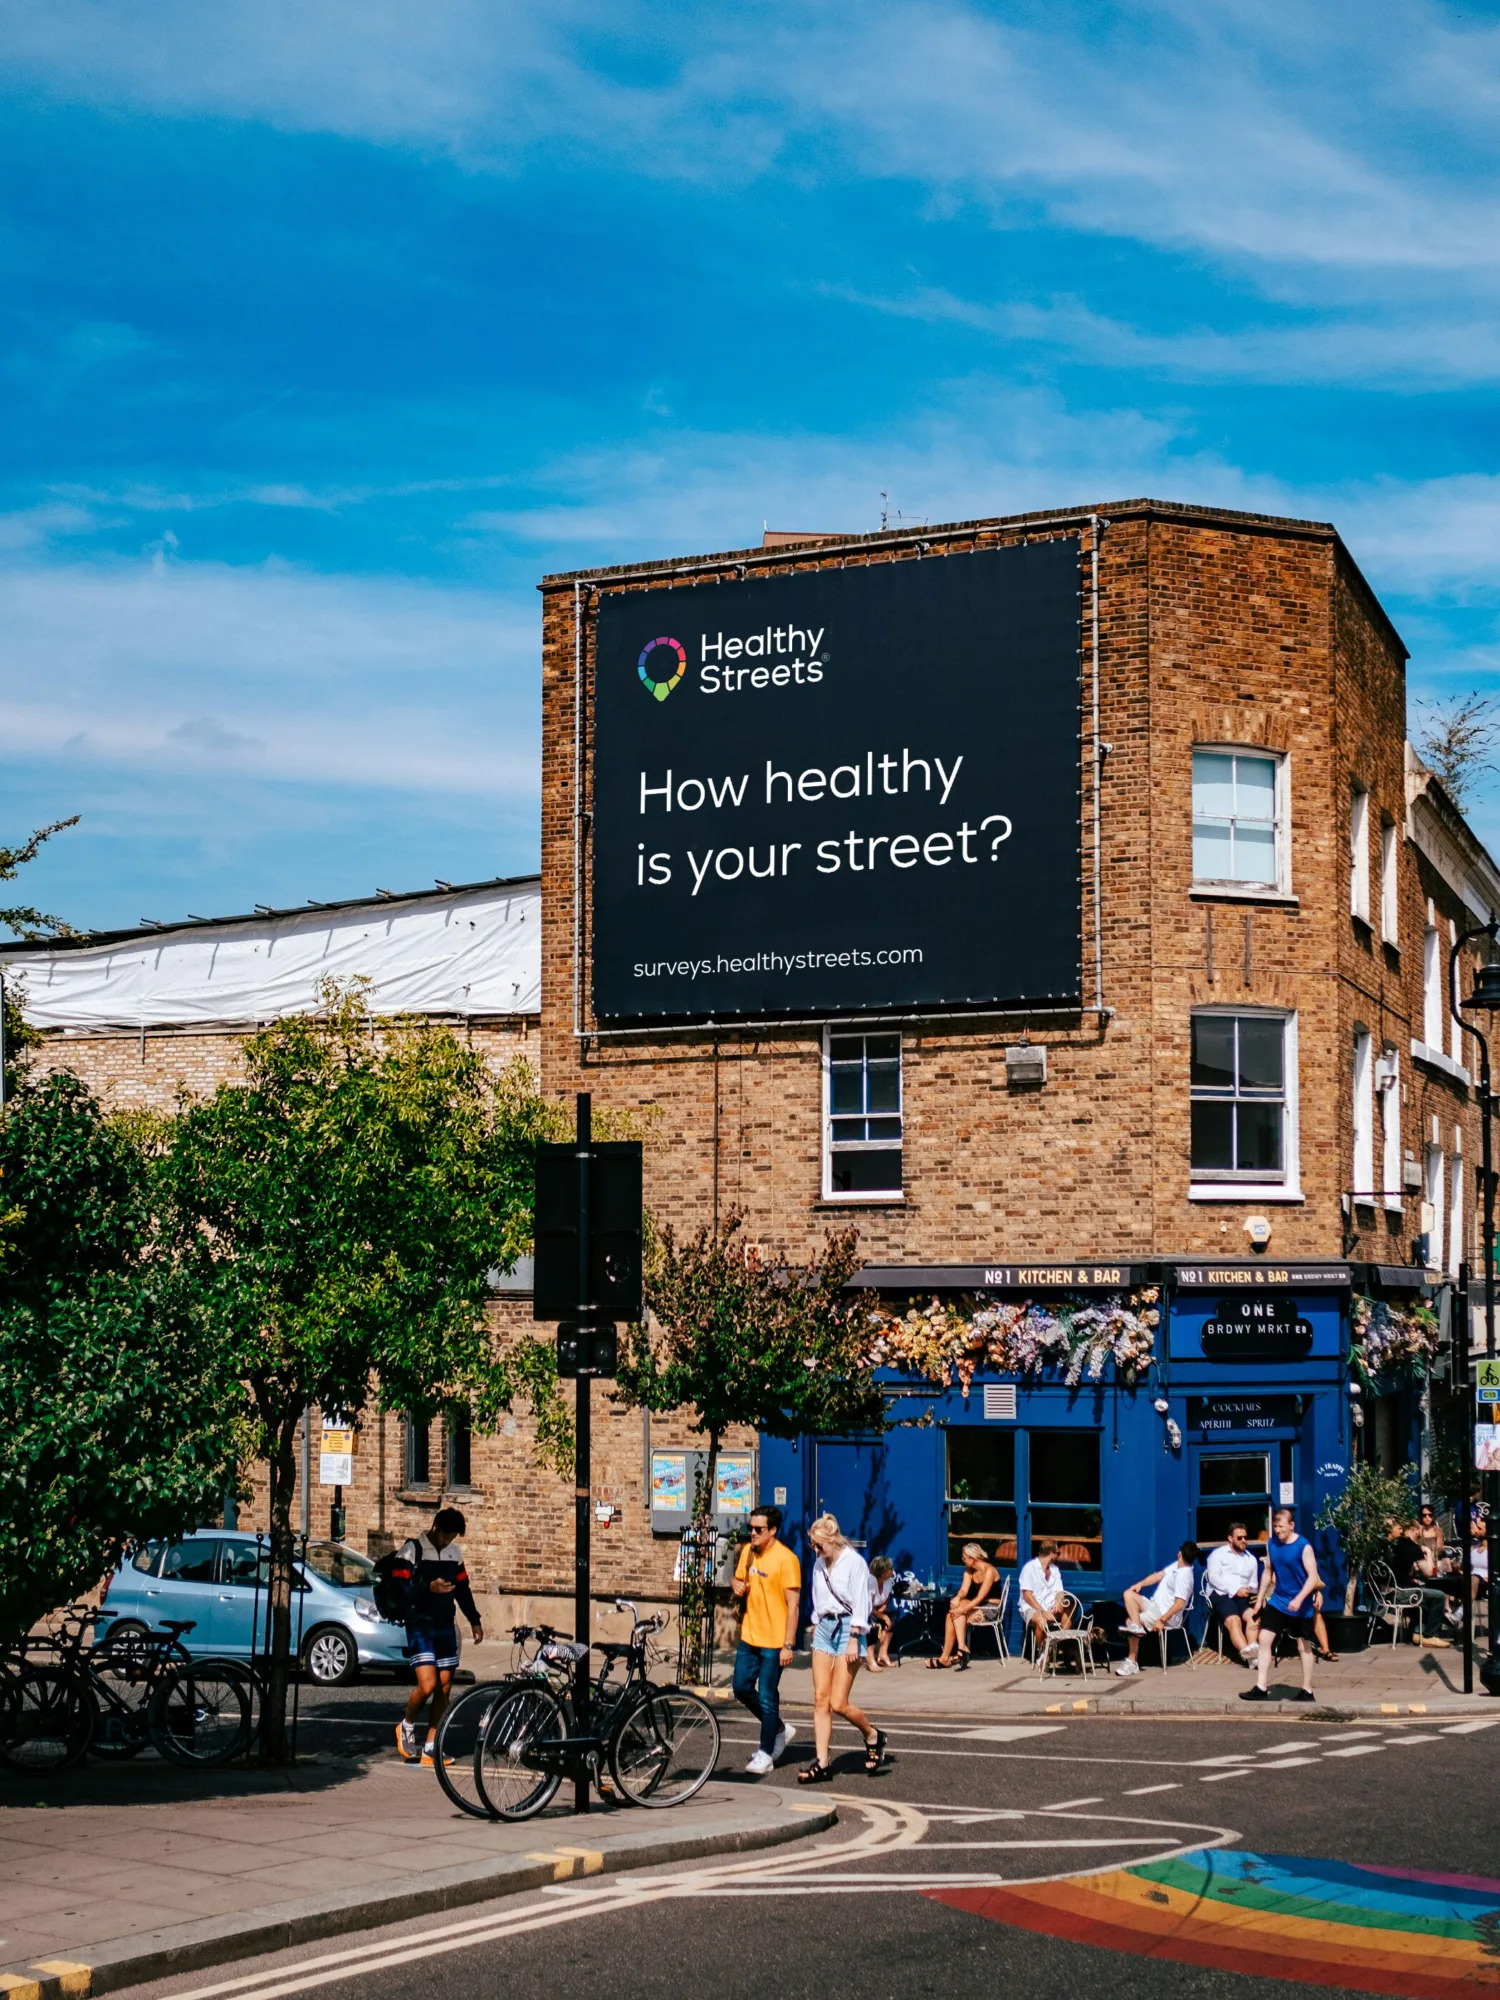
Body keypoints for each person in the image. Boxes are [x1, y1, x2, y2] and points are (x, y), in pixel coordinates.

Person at [798, 1514, 887, 1783]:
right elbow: (818, 1596)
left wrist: (854, 1636)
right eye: (812, 1545)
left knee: (838, 1702)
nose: (815, 1550)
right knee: (820, 1699)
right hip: (825, 1629)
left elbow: (861, 1601)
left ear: (832, 1539)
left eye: (818, 1545)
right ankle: (822, 1763)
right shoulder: (818, 1564)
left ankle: (873, 1735)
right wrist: (816, 1622)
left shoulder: (854, 1563)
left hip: (850, 1628)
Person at [392, 1507, 484, 1766]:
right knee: (428, 1685)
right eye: (446, 1536)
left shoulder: (455, 1554)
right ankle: (406, 1725)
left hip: (445, 1624)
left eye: (453, 1538)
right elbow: (400, 1589)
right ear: (435, 1528)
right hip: (420, 1625)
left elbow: (463, 1588)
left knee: (444, 1686)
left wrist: (474, 1620)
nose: (448, 1542)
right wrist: (427, 1587)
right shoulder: (412, 1550)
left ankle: (431, 1747)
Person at [731, 1504, 801, 1776]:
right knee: (741, 1688)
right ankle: (780, 1729)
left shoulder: (787, 1559)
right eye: (750, 1528)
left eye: (759, 1529)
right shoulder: (748, 1552)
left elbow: (793, 1606)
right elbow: (739, 1581)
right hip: (750, 1635)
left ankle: (766, 1753)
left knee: (768, 1696)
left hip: (774, 1641)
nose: (753, 1533)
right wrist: (735, 1586)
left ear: (773, 1530)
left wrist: (788, 1644)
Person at [1242, 1506, 1323, 1702]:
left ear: (1291, 1525)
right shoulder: (1271, 1544)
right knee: (1264, 1638)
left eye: (1281, 1527)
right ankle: (1261, 1687)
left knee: (1303, 1645)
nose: (1278, 1531)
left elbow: (1312, 1578)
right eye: (1275, 1527)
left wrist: (1299, 1598)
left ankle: (1307, 1690)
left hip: (1300, 1604)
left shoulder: (1304, 1547)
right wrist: (1260, 1598)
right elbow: (1268, 1571)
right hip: (1278, 1600)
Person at [1115, 1542, 1198, 1677]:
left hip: (1166, 1615)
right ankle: (1136, 1627)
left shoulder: (1184, 1576)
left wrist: (1161, 1620)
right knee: (1128, 1594)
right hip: (1155, 1606)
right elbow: (1158, 1575)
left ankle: (1132, 1662)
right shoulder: (1177, 1566)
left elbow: (1179, 1604)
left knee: (1129, 1621)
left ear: (1180, 1553)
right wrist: (1140, 1584)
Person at [930, 1541, 999, 1670]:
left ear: (972, 1558)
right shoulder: (969, 1571)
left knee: (953, 1614)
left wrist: (962, 1609)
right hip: (976, 1605)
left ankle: (947, 1657)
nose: (963, 1560)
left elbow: (980, 1597)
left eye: (964, 1558)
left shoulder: (989, 1571)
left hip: (990, 1607)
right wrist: (958, 1597)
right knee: (954, 1611)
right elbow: (964, 1590)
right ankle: (961, 1648)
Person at [1383, 1518, 1452, 1646]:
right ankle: (1430, 1634)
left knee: (1421, 1589)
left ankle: (1416, 1632)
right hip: (1398, 1593)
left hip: (1381, 1593)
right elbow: (1429, 1572)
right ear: (1415, 1531)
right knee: (1438, 1596)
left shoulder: (1387, 1545)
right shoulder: (1411, 1547)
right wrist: (1428, 1552)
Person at [1203, 1522, 1260, 1663]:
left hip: (1243, 1596)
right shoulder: (1218, 1555)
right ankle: (1250, 1658)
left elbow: (1254, 1583)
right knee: (1235, 1621)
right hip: (1220, 1593)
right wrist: (1235, 1590)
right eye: (1239, 1538)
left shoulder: (1251, 1559)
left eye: (1245, 1537)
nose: (1244, 1541)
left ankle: (1252, 1649)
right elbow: (1214, 1578)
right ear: (1230, 1539)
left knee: (1255, 1617)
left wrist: (1251, 1590)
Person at [1017, 1540, 1071, 1659]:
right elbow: (1027, 1596)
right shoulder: (1029, 1568)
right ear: (1052, 1553)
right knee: (1042, 1621)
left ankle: (1061, 1643)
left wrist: (1058, 1601)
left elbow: (1060, 1591)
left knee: (1071, 1606)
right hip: (1031, 1607)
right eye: (1058, 1553)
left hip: (1050, 1606)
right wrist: (1042, 1611)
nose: (1058, 1556)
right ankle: (1042, 1654)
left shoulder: (1054, 1570)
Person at [866, 1557, 897, 1672]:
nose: (892, 1570)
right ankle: (870, 1659)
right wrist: (882, 1616)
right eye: (890, 1568)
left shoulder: (887, 1580)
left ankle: (882, 1655)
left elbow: (887, 1598)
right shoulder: (871, 1581)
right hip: (864, 1611)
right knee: (872, 1622)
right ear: (883, 1572)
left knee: (892, 1617)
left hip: (876, 1609)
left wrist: (883, 1611)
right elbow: (868, 1607)